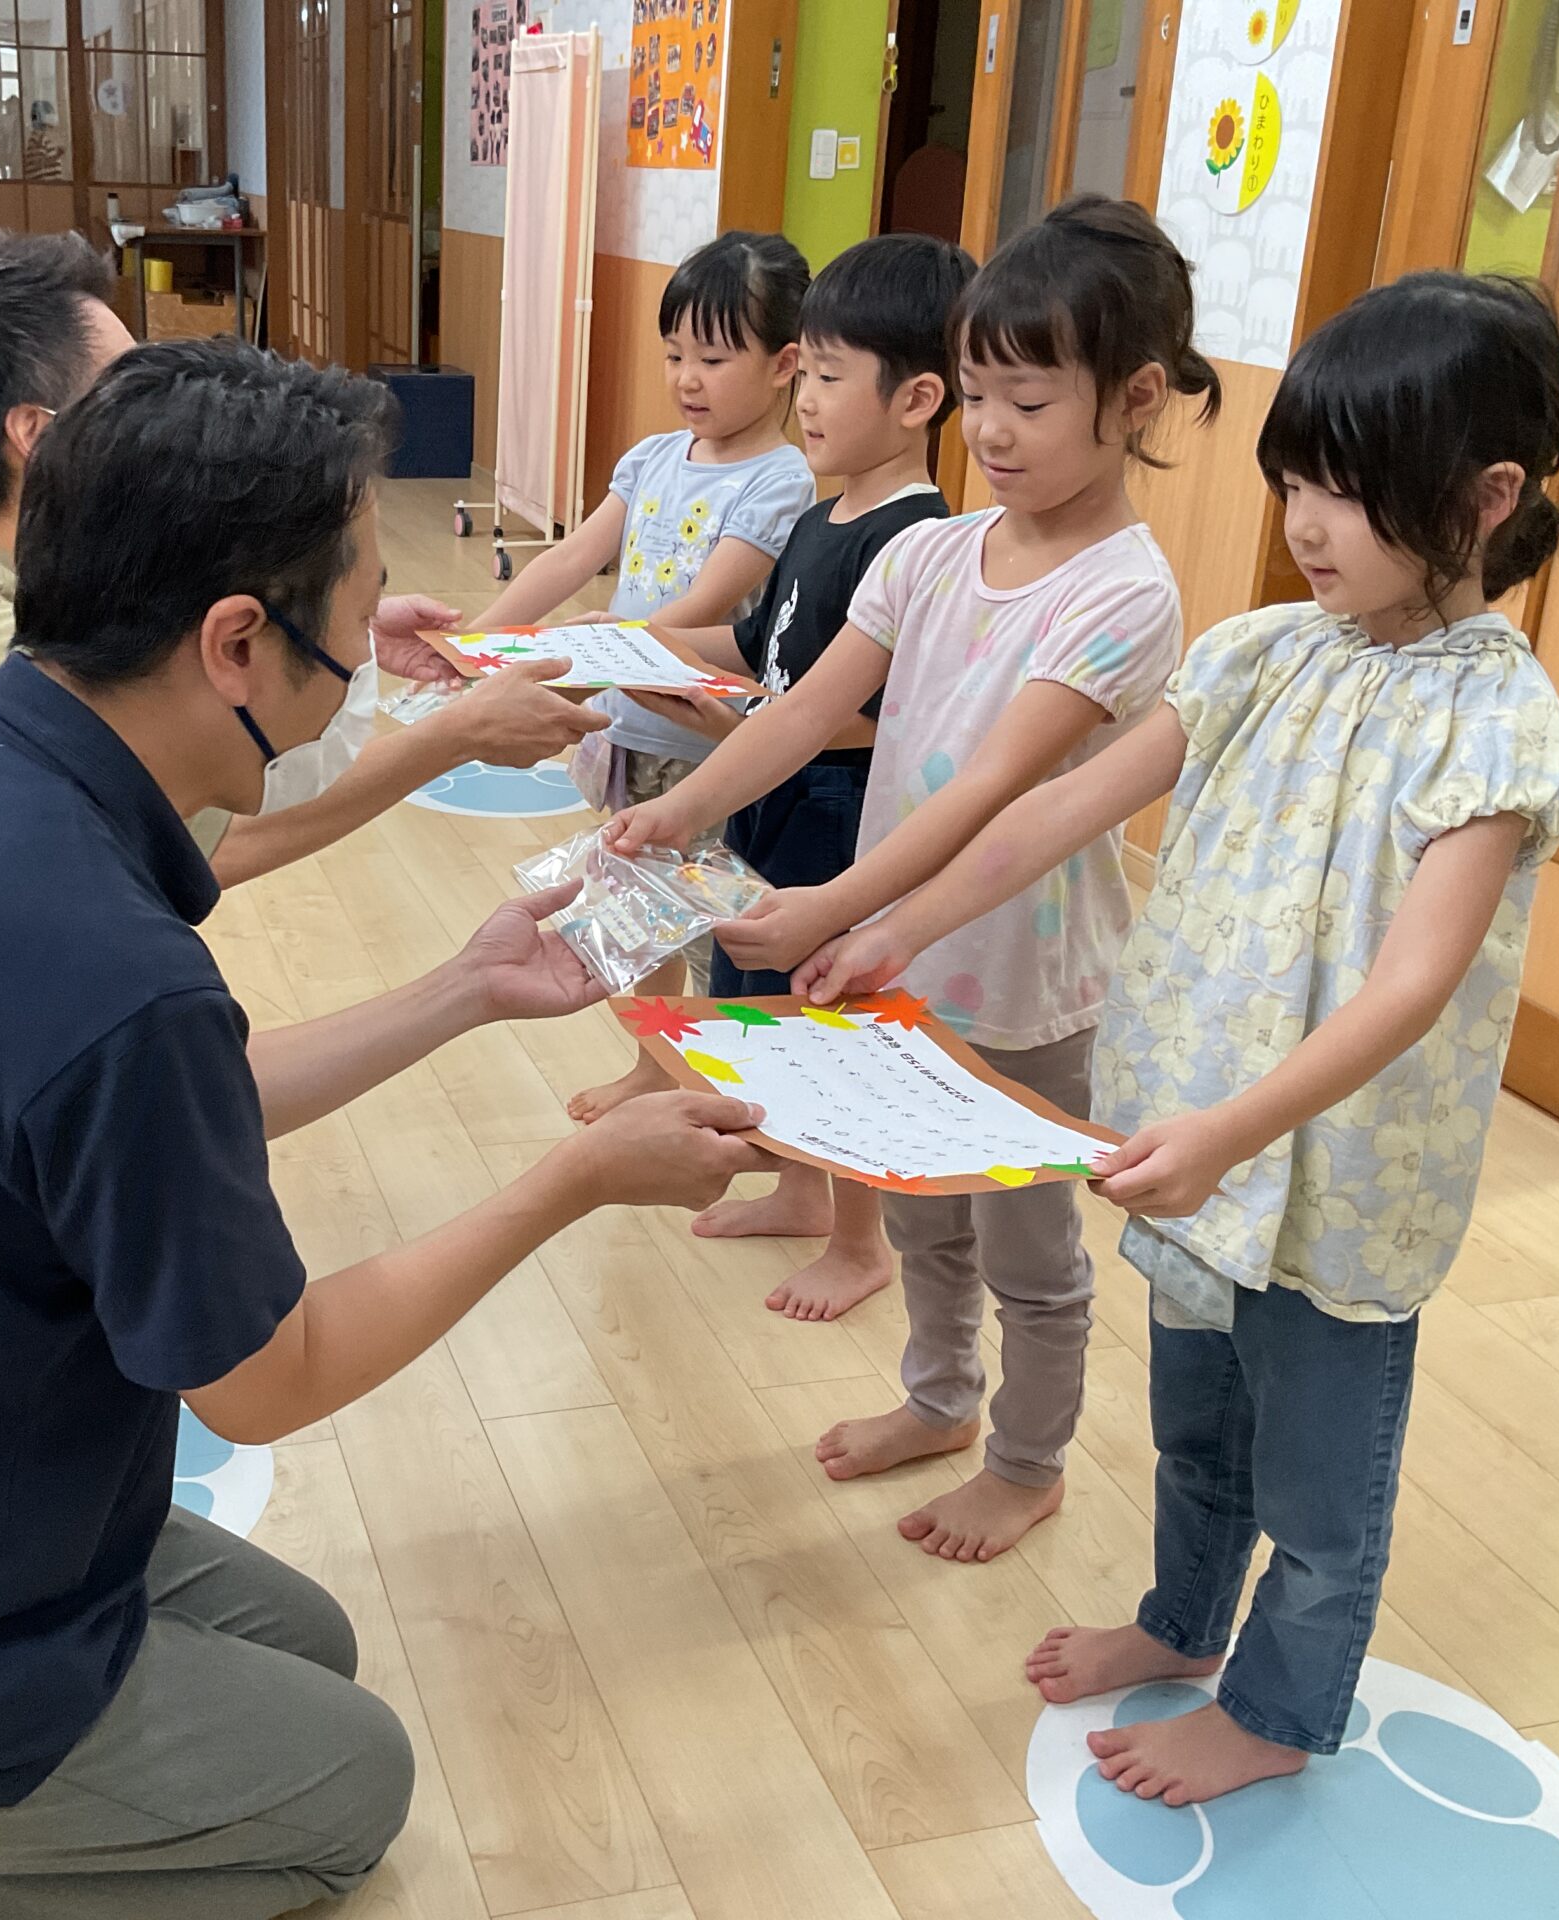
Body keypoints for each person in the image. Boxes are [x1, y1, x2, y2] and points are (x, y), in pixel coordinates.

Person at [0, 339, 774, 1920]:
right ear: (238, 643)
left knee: (310, 1649)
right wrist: (574, 1177)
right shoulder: (116, 969)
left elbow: (121, 1117)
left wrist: (461, 991)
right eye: (357, 627)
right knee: (351, 1789)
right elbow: (270, 1373)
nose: (364, 667)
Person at [800, 274, 1559, 1806]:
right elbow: (1053, 814)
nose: (1306, 522)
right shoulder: (1259, 653)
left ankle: (1277, 1712)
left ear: (1485, 500)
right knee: (1198, 1423)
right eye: (1296, 481)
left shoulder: (1497, 722)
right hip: (1191, 1140)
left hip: (1333, 1177)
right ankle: (1180, 1622)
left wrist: (1232, 1131)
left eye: (1348, 491)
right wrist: (893, 924)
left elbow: (1412, 985)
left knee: (1320, 1480)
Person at [612, 196, 1216, 1563]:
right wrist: (680, 813)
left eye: (1030, 402)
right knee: (925, 1220)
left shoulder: (1124, 595)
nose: (991, 431)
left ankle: (1026, 1465)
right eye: (980, 394)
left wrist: (838, 907)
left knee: (1028, 1256)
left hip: (1024, 983)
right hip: (902, 961)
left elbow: (998, 785)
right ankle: (940, 1402)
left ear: (1134, 400)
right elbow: (801, 709)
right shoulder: (928, 552)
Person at [0, 229, 603, 887]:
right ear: (37, 434)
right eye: (126, 392)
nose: (163, 411)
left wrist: (335, 627)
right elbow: (203, 837)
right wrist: (460, 733)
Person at [580, 233, 974, 1323]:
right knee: (750, 1002)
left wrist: (739, 723)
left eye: (829, 377)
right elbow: (761, 656)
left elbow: (865, 715)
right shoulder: (819, 515)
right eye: (806, 372)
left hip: (835, 810)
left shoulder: (917, 540)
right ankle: (801, 1191)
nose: (805, 398)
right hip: (769, 790)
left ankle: (858, 1243)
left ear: (917, 400)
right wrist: (635, 650)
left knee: (825, 1023)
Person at [464, 230, 815, 1099]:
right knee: (639, 917)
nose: (687, 378)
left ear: (784, 365)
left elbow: (703, 608)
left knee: (691, 926)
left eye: (713, 359)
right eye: (674, 355)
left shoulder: (782, 481)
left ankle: (693, 1077)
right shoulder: (653, 458)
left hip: (702, 749)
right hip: (626, 732)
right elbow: (570, 556)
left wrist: (592, 655)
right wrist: (478, 644)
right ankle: (652, 1070)